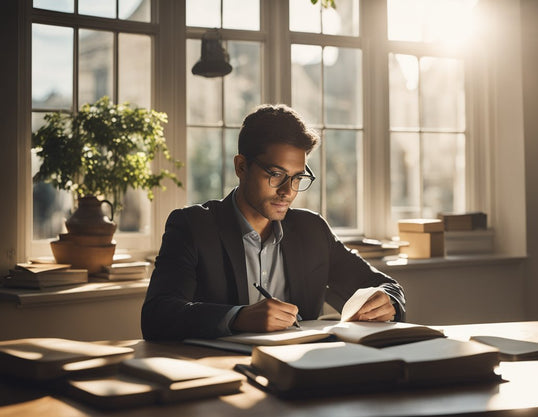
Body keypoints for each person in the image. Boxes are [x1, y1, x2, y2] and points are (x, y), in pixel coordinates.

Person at [141, 104, 405, 340]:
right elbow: (157, 315)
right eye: (276, 174)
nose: (288, 191)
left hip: (301, 374)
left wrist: (388, 301)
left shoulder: (312, 230)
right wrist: (238, 317)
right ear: (241, 167)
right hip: (221, 376)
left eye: (298, 178)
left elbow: (387, 286)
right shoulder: (193, 226)